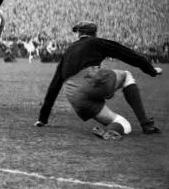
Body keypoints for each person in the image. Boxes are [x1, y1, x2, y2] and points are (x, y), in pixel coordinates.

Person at [34, 21, 162, 138]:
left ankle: (111, 131)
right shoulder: (96, 42)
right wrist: (151, 70)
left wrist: (43, 118)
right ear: (95, 33)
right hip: (90, 79)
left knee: (122, 123)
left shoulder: (69, 50)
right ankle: (146, 124)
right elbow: (126, 54)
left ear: (79, 34)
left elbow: (55, 84)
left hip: (73, 94)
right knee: (127, 76)